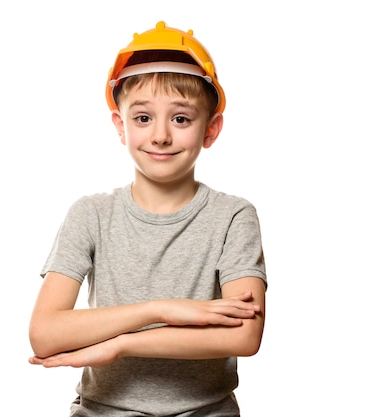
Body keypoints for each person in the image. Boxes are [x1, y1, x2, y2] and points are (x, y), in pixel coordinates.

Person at [28, 21, 267, 417]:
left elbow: (244, 334)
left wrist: (122, 343)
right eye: (142, 118)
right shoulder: (91, 214)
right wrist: (159, 310)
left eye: (180, 119)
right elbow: (44, 334)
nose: (160, 136)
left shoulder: (233, 216)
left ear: (211, 129)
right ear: (120, 126)